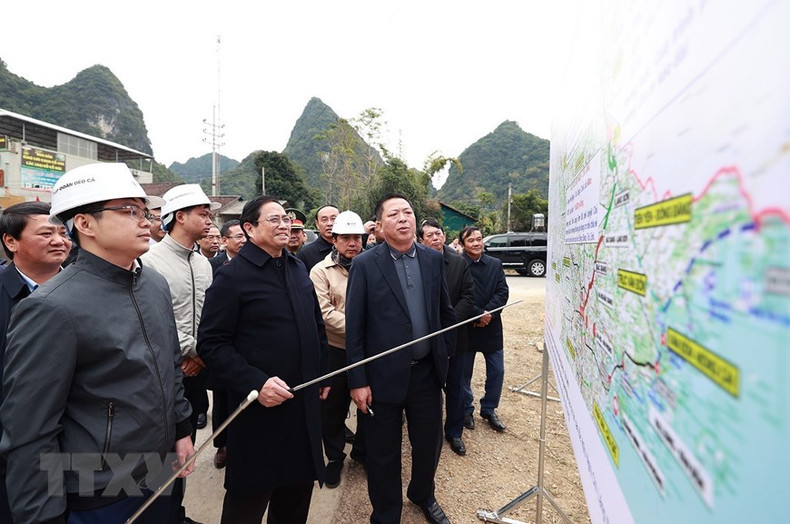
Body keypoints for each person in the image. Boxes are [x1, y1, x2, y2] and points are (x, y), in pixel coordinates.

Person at [0, 163, 194, 523]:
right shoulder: (51, 307)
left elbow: (170, 365)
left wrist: (181, 429)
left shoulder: (154, 285)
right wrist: (42, 515)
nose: (145, 221)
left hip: (160, 468)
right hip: (97, 487)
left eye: (145, 211)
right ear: (84, 224)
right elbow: (29, 429)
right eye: (129, 211)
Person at [197, 195, 329, 524]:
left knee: (295, 501)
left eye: (286, 219)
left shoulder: (298, 269)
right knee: (248, 503)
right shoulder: (232, 277)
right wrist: (256, 383)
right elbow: (211, 344)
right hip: (260, 412)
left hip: (302, 407)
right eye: (274, 219)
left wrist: (323, 373)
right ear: (249, 228)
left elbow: (316, 327)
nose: (284, 224)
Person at [346, 193, 456, 524]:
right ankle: (386, 513)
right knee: (383, 453)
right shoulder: (365, 264)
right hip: (381, 379)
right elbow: (355, 328)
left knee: (429, 444)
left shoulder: (433, 259)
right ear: (379, 226)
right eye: (394, 214)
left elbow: (444, 312)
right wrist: (358, 380)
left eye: (408, 212)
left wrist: (444, 356)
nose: (404, 218)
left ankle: (423, 494)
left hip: (425, 374)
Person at [141, 183, 220, 524]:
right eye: (202, 213)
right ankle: (162, 512)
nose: (208, 219)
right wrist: (182, 357)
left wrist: (200, 356)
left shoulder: (203, 263)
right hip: (163, 370)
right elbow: (154, 321)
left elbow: (209, 316)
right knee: (162, 445)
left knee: (184, 443)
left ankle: (177, 511)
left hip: (197, 366)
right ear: (179, 216)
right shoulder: (149, 262)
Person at [0, 201, 71, 522]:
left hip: (76, 439)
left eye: (62, 232)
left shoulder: (86, 290)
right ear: (10, 241)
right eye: (46, 233)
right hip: (15, 438)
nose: (59, 240)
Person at [309, 210, 368, 488]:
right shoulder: (321, 272)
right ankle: (334, 458)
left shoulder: (373, 266)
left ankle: (362, 452)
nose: (352, 243)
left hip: (368, 352)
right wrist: (363, 330)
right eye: (346, 238)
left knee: (369, 404)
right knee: (332, 410)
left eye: (357, 237)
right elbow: (324, 313)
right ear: (334, 240)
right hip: (336, 350)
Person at [418, 219, 476, 456]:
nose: (435, 238)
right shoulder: (416, 262)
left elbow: (468, 296)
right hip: (426, 339)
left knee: (456, 387)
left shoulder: (458, 262)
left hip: (455, 338)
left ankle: (454, 432)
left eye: (438, 233)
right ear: (421, 240)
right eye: (429, 235)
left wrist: (448, 322)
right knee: (428, 389)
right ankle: (427, 433)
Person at [458, 226, 510, 433]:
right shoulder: (457, 264)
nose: (476, 243)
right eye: (471, 240)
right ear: (462, 244)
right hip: (468, 327)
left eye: (479, 239)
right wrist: (477, 314)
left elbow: (502, 291)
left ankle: (489, 408)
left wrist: (489, 314)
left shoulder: (495, 264)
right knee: (464, 373)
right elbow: (457, 296)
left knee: (497, 370)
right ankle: (466, 409)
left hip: (492, 327)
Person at [207, 219, 246, 470]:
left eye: (244, 236)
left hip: (244, 343)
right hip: (224, 341)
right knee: (222, 398)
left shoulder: (254, 265)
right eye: (237, 237)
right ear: (224, 241)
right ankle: (222, 444)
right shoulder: (212, 266)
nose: (242, 241)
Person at [297, 204, 338, 271]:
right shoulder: (305, 254)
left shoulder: (350, 249)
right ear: (317, 224)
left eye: (333, 219)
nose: (329, 223)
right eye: (324, 220)